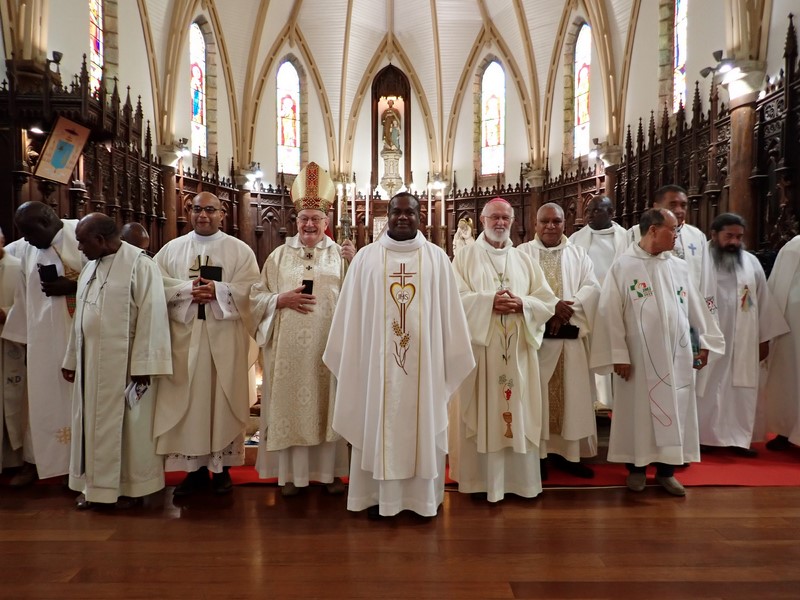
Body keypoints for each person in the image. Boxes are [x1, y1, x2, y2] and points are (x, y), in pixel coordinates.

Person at [323, 192, 475, 519]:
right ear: (387, 216)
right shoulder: (365, 258)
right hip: (374, 370)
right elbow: (350, 319)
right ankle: (376, 498)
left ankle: (421, 501)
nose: (403, 217)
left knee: (423, 422)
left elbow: (451, 318)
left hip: (426, 370)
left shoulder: (437, 259)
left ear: (421, 217)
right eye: (396, 212)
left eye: (410, 212)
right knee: (376, 420)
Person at [591, 208, 724, 496]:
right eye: (672, 229)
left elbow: (695, 308)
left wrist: (704, 343)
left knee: (675, 410)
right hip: (638, 359)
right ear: (653, 230)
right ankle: (637, 469)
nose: (677, 235)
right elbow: (609, 313)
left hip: (677, 356)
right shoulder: (624, 266)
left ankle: (667, 472)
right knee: (638, 413)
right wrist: (619, 355)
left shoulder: (678, 266)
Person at [250, 162, 355, 497]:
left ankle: (330, 473)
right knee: (292, 408)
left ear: (326, 222)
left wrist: (355, 262)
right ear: (295, 221)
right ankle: (292, 477)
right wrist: (279, 299)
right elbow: (255, 297)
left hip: (328, 349)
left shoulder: (340, 257)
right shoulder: (278, 257)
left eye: (316, 219)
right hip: (288, 355)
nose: (309, 224)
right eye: (304, 219)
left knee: (328, 407)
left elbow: (358, 298)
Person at [61, 213, 173, 509]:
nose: (79, 248)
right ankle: (95, 488)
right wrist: (71, 358)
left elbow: (153, 315)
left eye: (82, 242)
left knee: (130, 430)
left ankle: (131, 490)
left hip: (127, 366)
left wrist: (144, 365)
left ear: (100, 240)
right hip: (90, 363)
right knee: (91, 425)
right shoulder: (90, 266)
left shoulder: (140, 265)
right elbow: (81, 318)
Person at [450, 198, 557, 502]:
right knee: (482, 410)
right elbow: (453, 299)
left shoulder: (524, 259)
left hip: (518, 353)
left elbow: (547, 301)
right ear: (482, 220)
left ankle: (519, 482)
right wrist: (488, 303)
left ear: (512, 222)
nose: (500, 223)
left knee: (517, 410)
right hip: (481, 355)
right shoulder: (464, 257)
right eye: (494, 217)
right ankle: (478, 482)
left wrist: (523, 304)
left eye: (505, 218)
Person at [153, 192, 260, 496]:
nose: (203, 215)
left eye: (210, 210)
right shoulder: (172, 249)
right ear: (189, 212)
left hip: (225, 340)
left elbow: (252, 291)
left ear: (222, 214)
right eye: (197, 209)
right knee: (190, 404)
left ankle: (223, 470)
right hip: (185, 340)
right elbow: (156, 285)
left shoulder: (239, 251)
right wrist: (187, 290)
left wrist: (219, 292)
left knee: (223, 402)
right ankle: (195, 471)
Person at [2, 201, 84, 486]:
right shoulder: (27, 248)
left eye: (29, 232)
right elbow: (23, 297)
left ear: (47, 222)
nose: (25, 239)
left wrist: (73, 286)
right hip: (42, 340)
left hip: (80, 338)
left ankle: (79, 466)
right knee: (40, 402)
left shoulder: (82, 234)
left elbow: (110, 279)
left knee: (79, 403)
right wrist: (24, 342)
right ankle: (36, 461)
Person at [518, 203, 600, 479]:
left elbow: (592, 288)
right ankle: (538, 456)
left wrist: (566, 310)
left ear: (565, 223)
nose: (551, 226)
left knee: (572, 397)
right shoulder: (521, 254)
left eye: (557, 221)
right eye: (545, 221)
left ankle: (569, 455)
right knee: (536, 398)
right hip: (536, 342)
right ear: (535, 223)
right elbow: (517, 291)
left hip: (570, 341)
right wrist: (549, 309)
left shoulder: (578, 254)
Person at [696, 214, 788, 457]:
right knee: (708, 387)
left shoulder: (750, 262)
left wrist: (764, 339)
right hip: (710, 337)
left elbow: (763, 301)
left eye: (739, 237)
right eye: (729, 236)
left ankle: (737, 439)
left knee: (741, 389)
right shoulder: (699, 261)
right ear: (714, 234)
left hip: (743, 339)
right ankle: (704, 438)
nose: (734, 242)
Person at [570, 195, 629, 410]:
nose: (590, 215)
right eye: (588, 211)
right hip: (589, 305)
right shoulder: (575, 239)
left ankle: (616, 402)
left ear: (611, 213)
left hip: (618, 305)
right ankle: (595, 400)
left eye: (596, 210)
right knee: (592, 350)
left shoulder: (626, 238)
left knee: (616, 349)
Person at [629, 185, 716, 312]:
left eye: (683, 205)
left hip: (688, 311)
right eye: (673, 205)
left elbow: (706, 280)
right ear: (656, 207)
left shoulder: (696, 236)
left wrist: (708, 316)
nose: (679, 210)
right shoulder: (635, 234)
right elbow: (623, 272)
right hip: (648, 311)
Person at [760, 235, 800, 452]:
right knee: (786, 380)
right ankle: (785, 431)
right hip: (789, 328)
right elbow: (775, 286)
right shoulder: (792, 246)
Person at [0, 228, 26, 475]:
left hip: (11, 343)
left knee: (12, 400)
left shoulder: (18, 267)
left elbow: (29, 305)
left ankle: (13, 461)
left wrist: (6, 313)